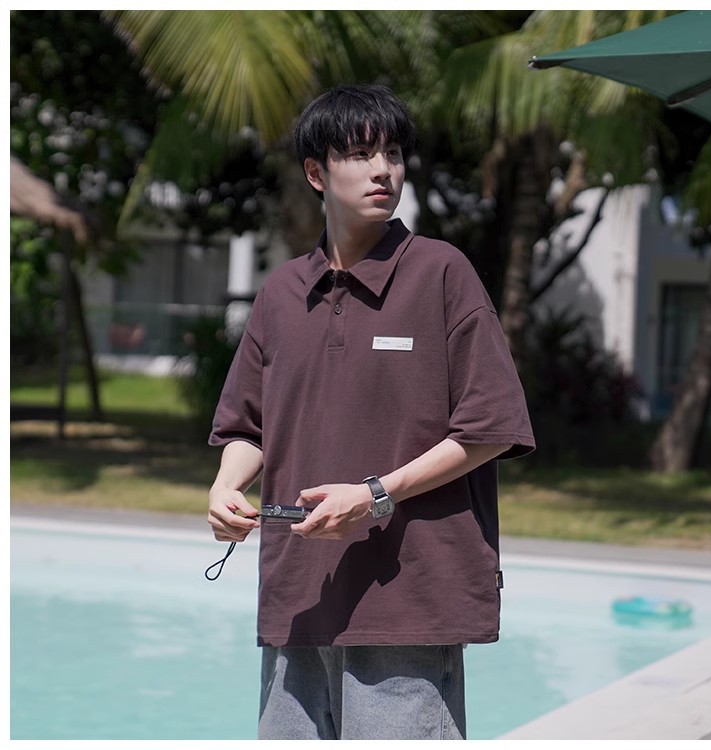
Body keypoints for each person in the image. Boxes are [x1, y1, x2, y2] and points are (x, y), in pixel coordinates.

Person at [207, 83, 535, 741]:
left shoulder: (441, 274)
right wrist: (224, 487)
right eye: (360, 155)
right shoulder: (281, 293)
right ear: (316, 173)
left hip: (407, 600)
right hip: (297, 598)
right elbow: (248, 425)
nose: (383, 170)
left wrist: (375, 495)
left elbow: (490, 427)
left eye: (393, 154)